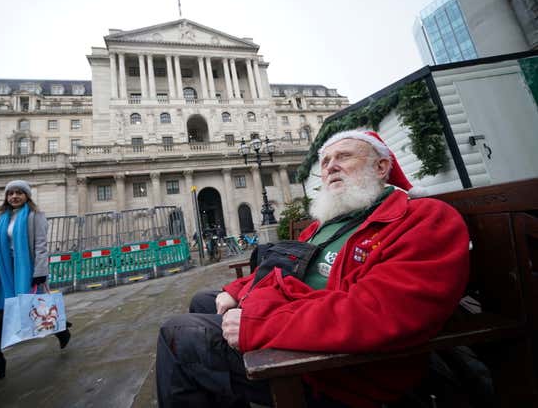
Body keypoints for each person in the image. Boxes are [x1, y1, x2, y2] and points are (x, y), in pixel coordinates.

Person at [155, 130, 470, 408]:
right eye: (325, 160)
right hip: (302, 326)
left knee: (181, 335)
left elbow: (378, 312)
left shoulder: (423, 218)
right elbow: (282, 265)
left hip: (340, 369)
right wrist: (239, 290)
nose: (330, 166)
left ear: (381, 166)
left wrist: (257, 324)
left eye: (344, 156)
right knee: (204, 301)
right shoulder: (330, 223)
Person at [0, 180, 71, 394]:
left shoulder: (35, 216)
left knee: (33, 312)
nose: (14, 196)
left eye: (19, 193)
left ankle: (60, 330)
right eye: (10, 193)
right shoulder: (1, 217)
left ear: (27, 196)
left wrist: (40, 272)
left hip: (25, 270)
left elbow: (41, 245)